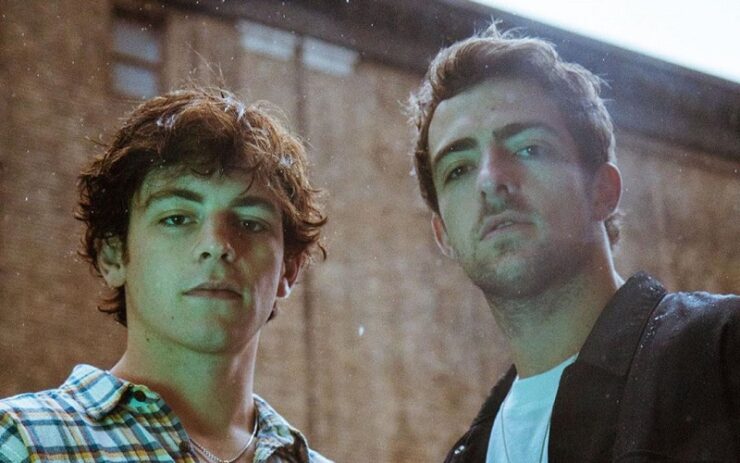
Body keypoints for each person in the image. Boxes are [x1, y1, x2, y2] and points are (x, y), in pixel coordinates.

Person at [407, 23, 739, 462]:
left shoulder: (722, 350)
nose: (490, 180)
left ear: (603, 190)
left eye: (528, 148)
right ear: (443, 234)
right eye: (458, 169)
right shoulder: (469, 456)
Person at [0, 87, 331, 463]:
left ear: (289, 267)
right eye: (177, 218)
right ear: (113, 256)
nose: (217, 244)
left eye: (250, 223)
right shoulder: (19, 442)